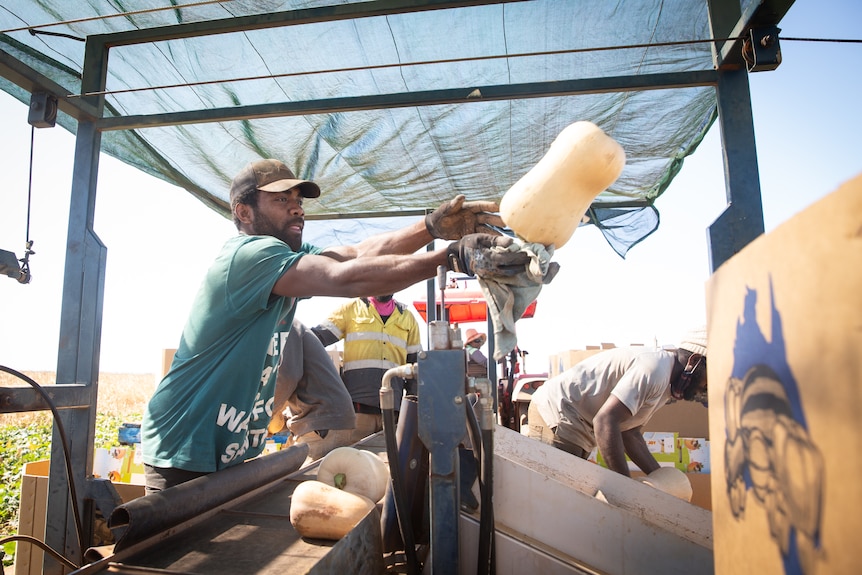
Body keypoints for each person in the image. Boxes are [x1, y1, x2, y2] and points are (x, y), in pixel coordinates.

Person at [141, 158, 528, 493]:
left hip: (223, 451)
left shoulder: (286, 255)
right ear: (243, 212)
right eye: (281, 200)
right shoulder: (251, 256)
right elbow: (345, 279)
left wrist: (429, 228)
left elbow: (356, 254)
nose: (297, 209)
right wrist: (451, 257)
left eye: (298, 201)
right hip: (184, 448)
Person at [527, 327, 708, 477]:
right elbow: (605, 421)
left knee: (568, 494)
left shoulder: (664, 385)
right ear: (694, 360)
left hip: (576, 424)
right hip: (558, 413)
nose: (707, 387)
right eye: (710, 377)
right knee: (558, 496)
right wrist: (624, 487)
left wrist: (660, 479)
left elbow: (629, 434)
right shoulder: (653, 371)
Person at [311, 294, 422, 443]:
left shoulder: (407, 318)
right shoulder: (350, 310)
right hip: (358, 410)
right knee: (357, 462)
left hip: (393, 413)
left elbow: (416, 367)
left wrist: (410, 412)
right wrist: (290, 332)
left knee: (391, 463)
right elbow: (316, 338)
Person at [267, 318, 356, 462]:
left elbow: (287, 377)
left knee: (303, 482)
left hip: (322, 424)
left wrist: (264, 416)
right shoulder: (287, 327)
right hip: (322, 422)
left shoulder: (283, 324)